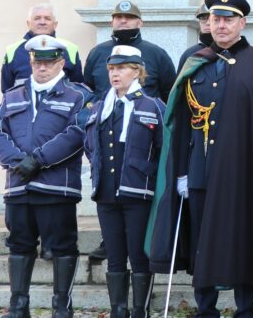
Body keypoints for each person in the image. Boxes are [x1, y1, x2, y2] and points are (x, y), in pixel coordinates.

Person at [146, 0, 253, 318]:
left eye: (228, 19)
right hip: (202, 169)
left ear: (242, 23)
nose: (221, 25)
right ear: (208, 23)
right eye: (216, 19)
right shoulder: (193, 61)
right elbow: (180, 121)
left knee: (243, 239)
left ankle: (245, 308)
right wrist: (181, 171)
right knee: (202, 242)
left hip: (246, 172)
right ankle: (206, 308)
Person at [0, 35, 90, 318]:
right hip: (18, 187)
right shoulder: (11, 96)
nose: (42, 67)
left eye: (49, 62)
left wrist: (37, 159)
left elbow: (76, 133)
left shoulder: (78, 96)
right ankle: (19, 305)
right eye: (37, 62)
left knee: (62, 247)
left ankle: (62, 306)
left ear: (61, 64)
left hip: (57, 188)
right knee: (19, 245)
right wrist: (16, 162)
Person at [82, 45, 164, 318]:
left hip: (138, 192)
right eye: (112, 69)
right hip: (106, 192)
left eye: (122, 68)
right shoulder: (99, 107)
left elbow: (164, 150)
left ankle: (140, 309)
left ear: (137, 71)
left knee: (139, 255)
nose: (115, 74)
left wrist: (147, 171)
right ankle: (118, 309)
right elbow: (90, 144)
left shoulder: (152, 106)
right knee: (115, 255)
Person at [83, 1, 178, 101]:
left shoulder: (157, 54)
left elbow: (170, 94)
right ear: (112, 22)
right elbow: (88, 91)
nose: (123, 21)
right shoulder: (97, 52)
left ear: (140, 23)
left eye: (130, 17)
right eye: (118, 17)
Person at [1, 3, 84, 92]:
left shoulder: (70, 48)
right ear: (28, 23)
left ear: (55, 24)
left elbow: (77, 88)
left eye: (47, 18)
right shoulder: (13, 50)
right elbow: (7, 89)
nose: (42, 22)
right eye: (37, 18)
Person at [178, 4, 214, 70]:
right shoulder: (189, 54)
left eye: (212, 19)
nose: (208, 23)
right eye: (203, 18)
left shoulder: (231, 52)